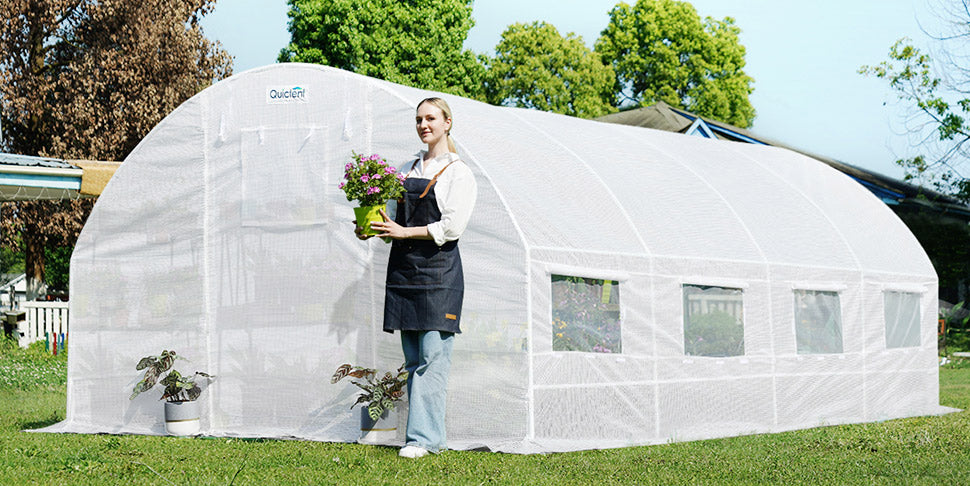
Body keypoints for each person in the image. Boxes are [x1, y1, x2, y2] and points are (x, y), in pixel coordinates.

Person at [357, 97, 477, 458]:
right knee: (413, 361)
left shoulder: (459, 172)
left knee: (432, 358)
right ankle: (428, 438)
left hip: (440, 276)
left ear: (447, 123)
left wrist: (404, 233)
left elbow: (451, 228)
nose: (424, 125)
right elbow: (392, 218)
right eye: (419, 120)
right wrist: (370, 228)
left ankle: (422, 439)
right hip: (406, 274)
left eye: (431, 119)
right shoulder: (406, 169)